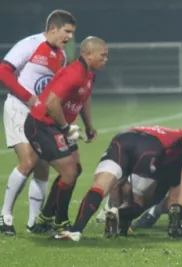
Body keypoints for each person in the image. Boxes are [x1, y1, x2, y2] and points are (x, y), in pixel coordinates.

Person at [0, 9, 76, 235]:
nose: (70, 37)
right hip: (18, 107)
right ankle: (5, 216)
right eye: (67, 31)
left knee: (43, 166)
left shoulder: (61, 56)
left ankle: (34, 223)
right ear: (53, 28)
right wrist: (29, 98)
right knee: (29, 160)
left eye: (72, 33)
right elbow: (4, 72)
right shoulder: (30, 44)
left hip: (38, 116)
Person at [24, 36, 108, 233]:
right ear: (88, 54)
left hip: (56, 126)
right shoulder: (75, 73)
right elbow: (51, 103)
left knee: (75, 169)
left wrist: (88, 125)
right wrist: (65, 127)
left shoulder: (89, 73)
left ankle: (45, 217)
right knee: (69, 172)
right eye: (102, 55)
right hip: (41, 125)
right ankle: (60, 221)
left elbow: (84, 98)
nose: (106, 59)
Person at [55, 126, 182, 241]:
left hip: (123, 137)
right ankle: (120, 215)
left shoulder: (171, 138)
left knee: (101, 186)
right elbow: (173, 198)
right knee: (139, 201)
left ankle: (75, 231)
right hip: (149, 146)